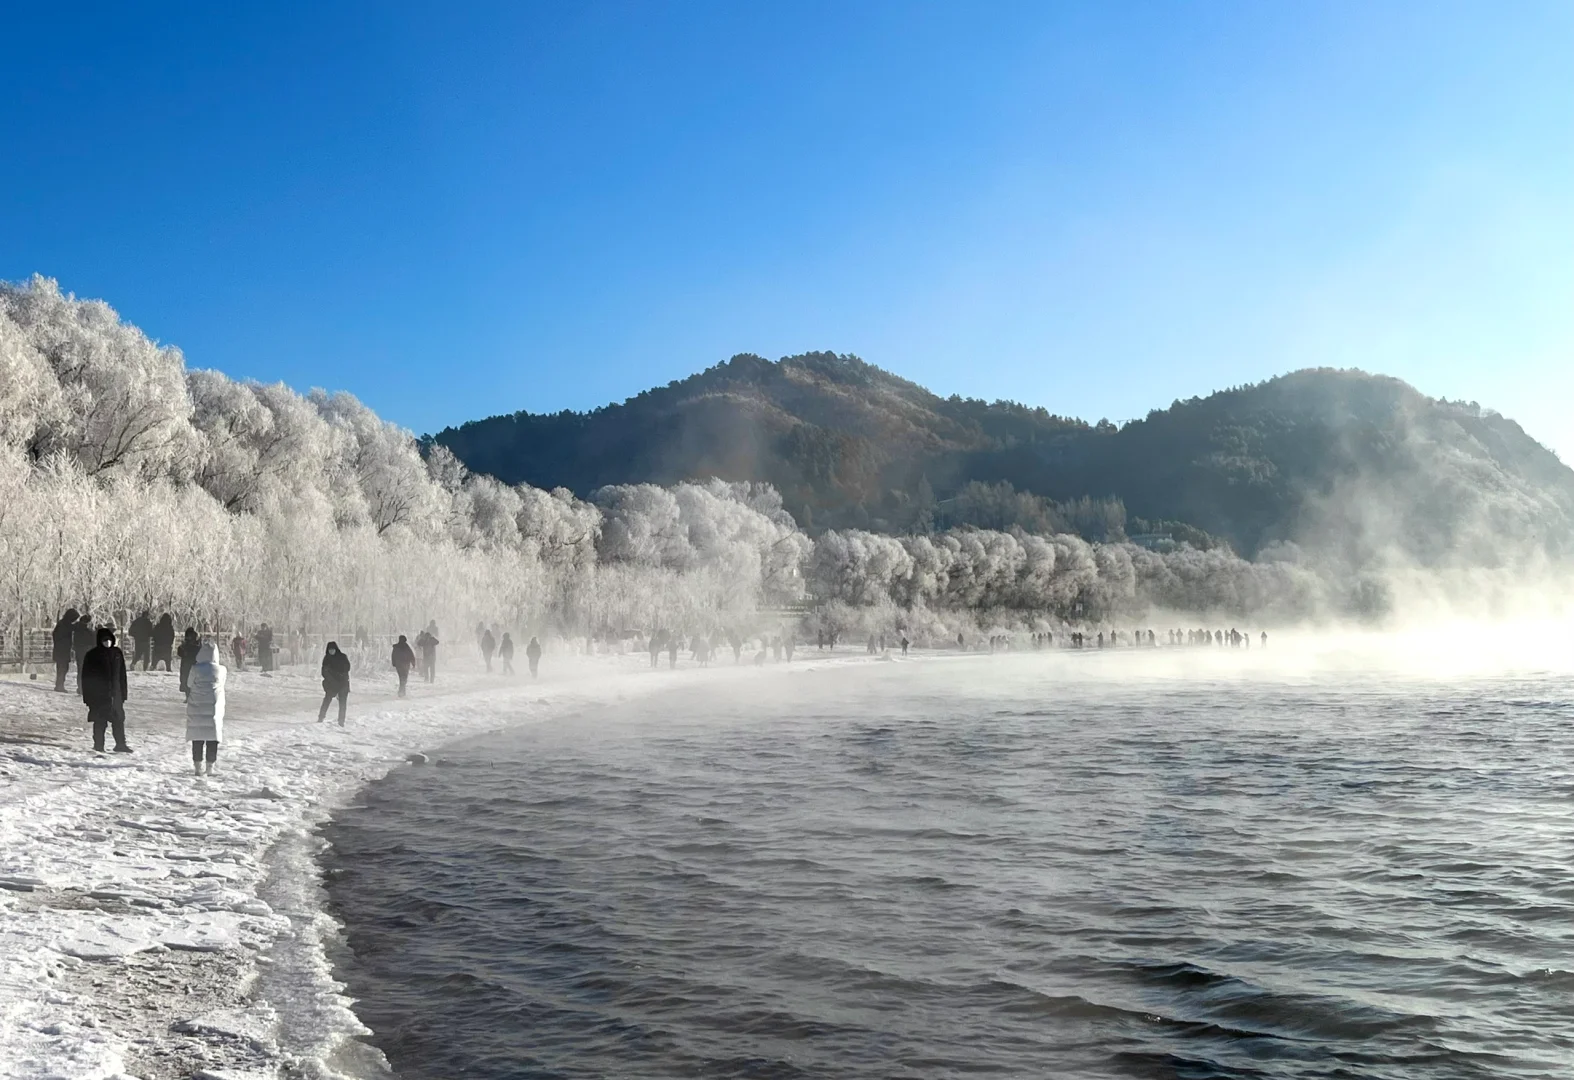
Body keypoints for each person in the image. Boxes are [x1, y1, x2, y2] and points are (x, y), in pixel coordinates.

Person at [81, 626, 130, 753]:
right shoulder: (92, 655)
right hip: (99, 695)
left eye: (109, 639)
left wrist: (123, 693)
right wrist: (87, 697)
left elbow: (122, 675)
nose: (107, 642)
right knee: (100, 721)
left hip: (116, 693)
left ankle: (120, 744)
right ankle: (99, 745)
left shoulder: (117, 653)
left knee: (118, 720)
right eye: (104, 639)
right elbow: (86, 677)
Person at [186, 642, 226, 775]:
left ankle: (197, 767)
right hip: (213, 707)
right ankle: (210, 767)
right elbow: (222, 684)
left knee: (197, 737)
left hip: (196, 706)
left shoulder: (195, 668)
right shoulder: (221, 670)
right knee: (212, 738)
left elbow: (189, 683)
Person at [318, 642, 351, 726]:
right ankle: (321, 717)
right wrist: (331, 679)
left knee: (342, 703)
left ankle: (341, 721)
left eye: (333, 650)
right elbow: (324, 672)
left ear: (336, 649)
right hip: (331, 684)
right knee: (327, 700)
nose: (331, 651)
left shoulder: (342, 657)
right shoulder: (327, 659)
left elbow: (347, 668)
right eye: (330, 650)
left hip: (343, 683)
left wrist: (339, 674)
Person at [51, 608, 77, 692]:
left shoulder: (62, 623)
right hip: (62, 650)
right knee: (63, 668)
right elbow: (72, 628)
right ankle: (59, 686)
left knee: (62, 668)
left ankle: (59, 685)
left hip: (61, 650)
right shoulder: (65, 624)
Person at [72, 612, 95, 691]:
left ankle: (80, 687)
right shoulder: (87, 631)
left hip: (79, 650)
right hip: (87, 650)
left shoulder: (76, 629)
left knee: (80, 669)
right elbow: (92, 640)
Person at [177, 627, 201, 700]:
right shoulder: (196, 644)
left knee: (186, 679)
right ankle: (190, 696)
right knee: (192, 680)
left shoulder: (185, 645)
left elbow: (180, 652)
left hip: (186, 663)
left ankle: (188, 696)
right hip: (194, 662)